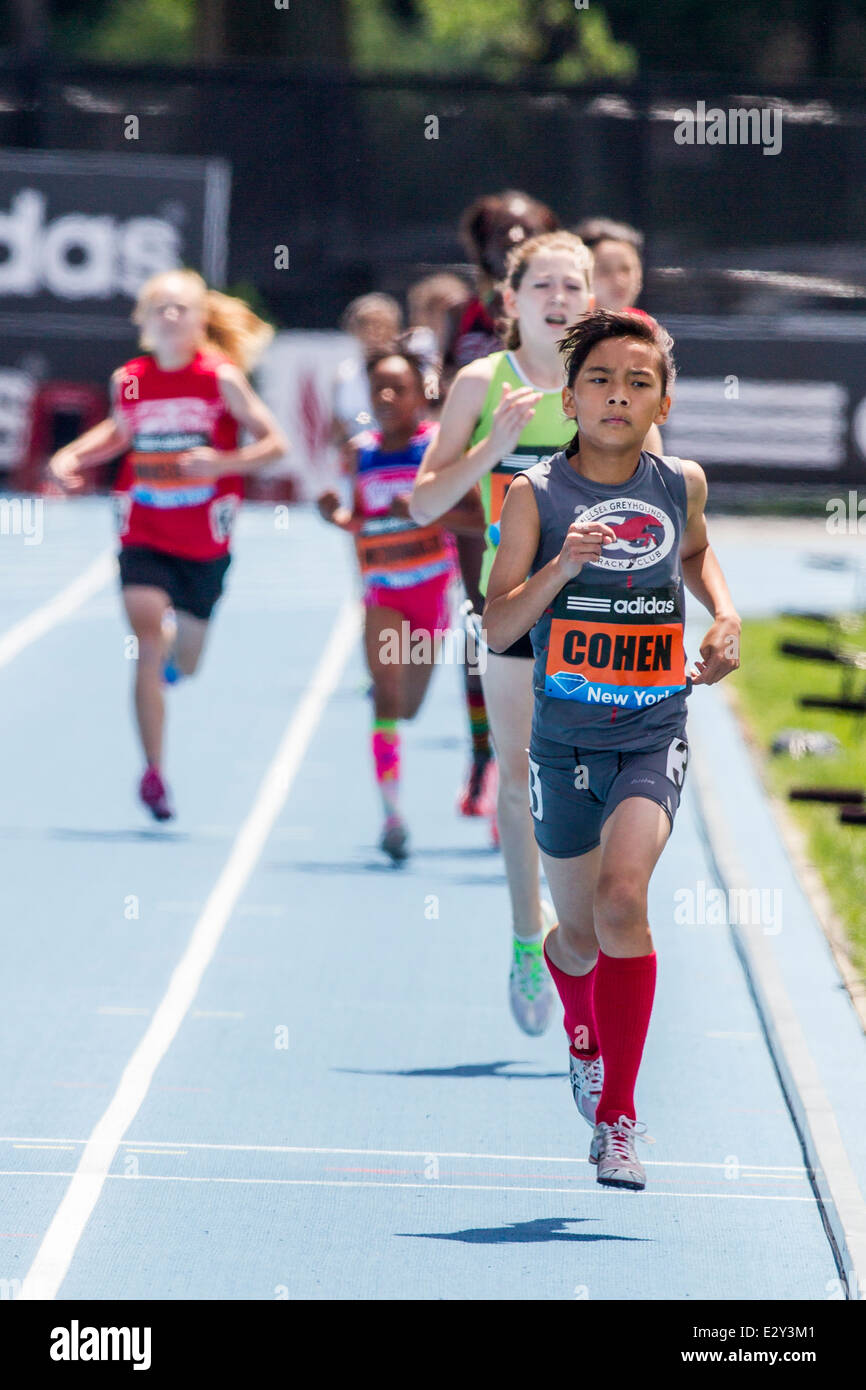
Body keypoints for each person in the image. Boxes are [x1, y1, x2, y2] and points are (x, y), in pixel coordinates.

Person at [482, 308, 741, 1189]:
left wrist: (727, 616)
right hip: (565, 743)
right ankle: (580, 1026)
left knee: (625, 902)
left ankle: (619, 1118)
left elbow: (700, 557)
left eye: (638, 382)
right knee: (581, 939)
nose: (618, 396)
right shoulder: (536, 496)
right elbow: (499, 622)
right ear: (570, 397)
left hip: (650, 728)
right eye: (601, 380)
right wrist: (560, 567)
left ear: (662, 399)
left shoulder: (682, 484)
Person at [411, 231, 594, 1034]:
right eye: (543, 285)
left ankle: (580, 939)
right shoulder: (482, 383)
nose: (558, 299)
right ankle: (530, 938)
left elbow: (656, 486)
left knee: (590, 786)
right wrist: (495, 447)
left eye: (573, 286)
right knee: (519, 785)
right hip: (513, 607)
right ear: (511, 300)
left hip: (597, 616)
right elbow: (421, 504)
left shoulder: (608, 381)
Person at [49, 269, 287, 820]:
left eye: (181, 308)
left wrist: (222, 462)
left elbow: (275, 443)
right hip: (145, 529)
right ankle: (154, 771)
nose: (170, 317)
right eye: (160, 308)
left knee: (188, 657)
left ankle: (179, 656)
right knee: (146, 636)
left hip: (204, 541)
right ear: (144, 321)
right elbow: (119, 432)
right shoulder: (129, 378)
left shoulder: (220, 377)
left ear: (203, 319)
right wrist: (73, 456)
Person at [318, 348, 484, 861]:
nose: (387, 398)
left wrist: (424, 512)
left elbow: (480, 521)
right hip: (384, 593)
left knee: (408, 707)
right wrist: (341, 518)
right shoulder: (361, 453)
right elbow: (364, 524)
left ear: (421, 393)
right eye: (378, 389)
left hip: (431, 593)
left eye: (399, 388)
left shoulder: (437, 449)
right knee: (386, 703)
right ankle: (392, 817)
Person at [441, 192, 561, 824]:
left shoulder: (563, 314)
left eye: (526, 231)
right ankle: (485, 757)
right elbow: (445, 416)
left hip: (549, 492)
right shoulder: (463, 322)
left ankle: (538, 766)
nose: (513, 238)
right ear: (482, 246)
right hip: (479, 497)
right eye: (503, 232)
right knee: (483, 623)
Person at [574, 218, 663, 456]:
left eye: (626, 269)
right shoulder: (564, 331)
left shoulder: (648, 330)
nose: (619, 280)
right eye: (604, 270)